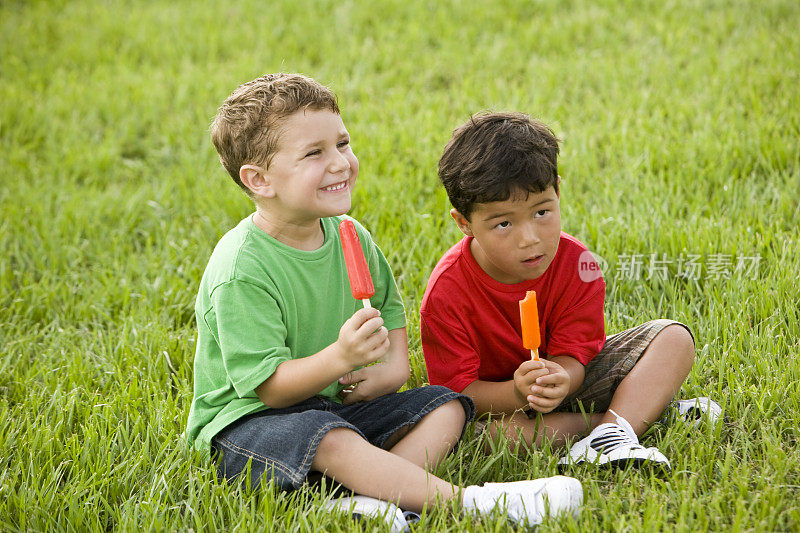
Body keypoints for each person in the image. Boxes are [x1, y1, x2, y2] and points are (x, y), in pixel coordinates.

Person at [184, 75, 583, 529]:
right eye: (315, 153)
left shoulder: (352, 237)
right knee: (330, 437)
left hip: (336, 407)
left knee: (446, 406)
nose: (340, 163)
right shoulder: (242, 268)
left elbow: (394, 346)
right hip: (248, 427)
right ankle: (471, 503)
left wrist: (376, 379)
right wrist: (340, 358)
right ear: (259, 180)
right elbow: (269, 388)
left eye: (342, 143)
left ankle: (372, 498)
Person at [421, 112, 722, 470]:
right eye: (503, 223)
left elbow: (577, 353)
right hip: (500, 404)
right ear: (464, 223)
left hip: (570, 383)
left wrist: (562, 376)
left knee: (673, 339)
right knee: (489, 438)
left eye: (542, 212)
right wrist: (517, 392)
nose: (530, 238)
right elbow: (460, 392)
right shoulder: (447, 292)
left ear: (558, 191)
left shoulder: (579, 265)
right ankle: (615, 426)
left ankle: (614, 427)